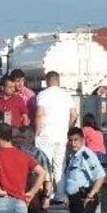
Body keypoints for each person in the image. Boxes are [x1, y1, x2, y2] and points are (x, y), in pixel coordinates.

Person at [35, 71, 78, 201]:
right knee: (60, 165)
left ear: (47, 81)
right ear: (58, 81)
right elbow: (74, 115)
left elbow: (39, 113)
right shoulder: (67, 95)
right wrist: (68, 127)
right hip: (61, 135)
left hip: (46, 134)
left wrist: (37, 130)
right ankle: (60, 195)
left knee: (45, 164)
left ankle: (48, 194)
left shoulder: (43, 94)